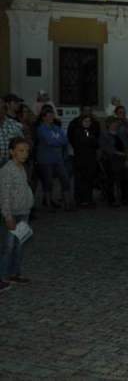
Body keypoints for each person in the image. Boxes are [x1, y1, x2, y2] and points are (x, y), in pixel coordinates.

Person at [0, 138, 35, 292]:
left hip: (23, 211)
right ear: (12, 152)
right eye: (21, 150)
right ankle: (2, 276)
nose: (25, 154)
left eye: (26, 151)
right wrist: (8, 216)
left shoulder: (22, 167)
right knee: (7, 247)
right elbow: (4, 195)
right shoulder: (7, 170)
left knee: (19, 245)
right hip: (12, 213)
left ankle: (14, 273)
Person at [36, 108, 73, 211]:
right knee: (48, 182)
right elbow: (49, 141)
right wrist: (57, 140)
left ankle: (67, 203)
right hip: (46, 160)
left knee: (65, 179)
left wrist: (56, 140)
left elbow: (65, 140)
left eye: (52, 115)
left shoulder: (56, 128)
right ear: (43, 117)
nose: (51, 117)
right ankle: (48, 204)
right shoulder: (41, 129)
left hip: (58, 159)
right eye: (49, 116)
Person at [100, 117, 128, 207]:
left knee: (124, 179)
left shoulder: (120, 134)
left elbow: (126, 145)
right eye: (113, 123)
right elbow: (106, 148)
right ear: (108, 124)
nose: (115, 125)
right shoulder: (104, 135)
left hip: (122, 159)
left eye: (116, 123)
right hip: (110, 159)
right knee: (111, 179)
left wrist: (126, 155)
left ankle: (125, 199)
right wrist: (118, 153)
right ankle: (111, 200)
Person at [70, 115, 99, 207]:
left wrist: (90, 140)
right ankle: (80, 200)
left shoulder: (91, 131)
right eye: (85, 121)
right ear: (81, 122)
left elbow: (96, 143)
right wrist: (90, 140)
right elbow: (81, 143)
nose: (88, 123)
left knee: (89, 180)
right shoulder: (77, 131)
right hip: (81, 159)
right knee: (80, 180)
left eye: (89, 121)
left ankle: (88, 199)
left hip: (90, 159)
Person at [0, 96, 24, 168]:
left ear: (5, 110)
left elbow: (22, 145)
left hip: (11, 166)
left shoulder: (14, 125)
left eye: (2, 108)